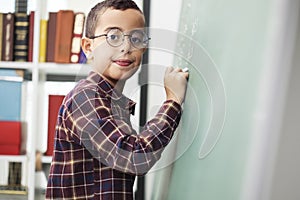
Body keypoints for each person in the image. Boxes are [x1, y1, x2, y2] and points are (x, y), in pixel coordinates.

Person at [46, 0, 188, 199]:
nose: (126, 47)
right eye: (113, 36)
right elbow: (134, 157)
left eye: (137, 39)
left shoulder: (112, 102)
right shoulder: (86, 98)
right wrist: (172, 101)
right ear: (88, 47)